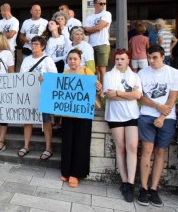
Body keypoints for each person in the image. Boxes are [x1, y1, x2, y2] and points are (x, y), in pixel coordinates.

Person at [137, 45, 178, 207]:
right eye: (149, 57)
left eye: (154, 57)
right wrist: (157, 107)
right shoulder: (142, 73)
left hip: (167, 118)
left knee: (160, 151)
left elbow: (172, 98)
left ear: (162, 57)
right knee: (147, 149)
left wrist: (162, 116)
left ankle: (154, 189)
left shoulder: (173, 73)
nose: (151, 60)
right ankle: (143, 188)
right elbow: (141, 97)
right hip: (147, 116)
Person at [103, 49, 142, 202]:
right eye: (117, 58)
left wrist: (118, 93)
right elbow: (109, 96)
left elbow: (138, 96)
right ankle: (124, 182)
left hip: (132, 116)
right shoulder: (109, 75)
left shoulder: (135, 76)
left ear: (128, 60)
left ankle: (131, 184)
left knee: (132, 147)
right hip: (115, 116)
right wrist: (128, 95)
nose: (119, 61)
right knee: (120, 148)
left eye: (122, 59)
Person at [60, 48, 102, 188]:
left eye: (75, 59)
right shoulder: (64, 74)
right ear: (67, 60)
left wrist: (98, 86)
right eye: (70, 58)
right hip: (68, 114)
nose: (72, 61)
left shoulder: (87, 72)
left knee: (80, 143)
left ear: (80, 60)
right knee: (67, 142)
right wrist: (44, 80)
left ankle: (76, 174)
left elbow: (97, 90)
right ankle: (66, 171)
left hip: (83, 115)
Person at [18, 36, 57, 158]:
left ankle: (48, 147)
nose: (33, 46)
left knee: (46, 121)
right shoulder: (26, 60)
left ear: (42, 46)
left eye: (36, 44)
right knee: (27, 121)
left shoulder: (47, 60)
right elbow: (21, 77)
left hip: (43, 95)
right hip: (29, 94)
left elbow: (54, 77)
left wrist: (44, 79)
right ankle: (26, 145)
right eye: (32, 44)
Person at [84, 0, 112, 86]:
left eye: (104, 3)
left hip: (102, 44)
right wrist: (97, 28)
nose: (103, 5)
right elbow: (86, 32)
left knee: (102, 68)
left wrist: (92, 28)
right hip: (91, 45)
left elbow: (97, 28)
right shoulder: (89, 17)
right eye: (100, 3)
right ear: (95, 5)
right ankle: (96, 88)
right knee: (93, 68)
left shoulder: (106, 14)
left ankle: (103, 89)